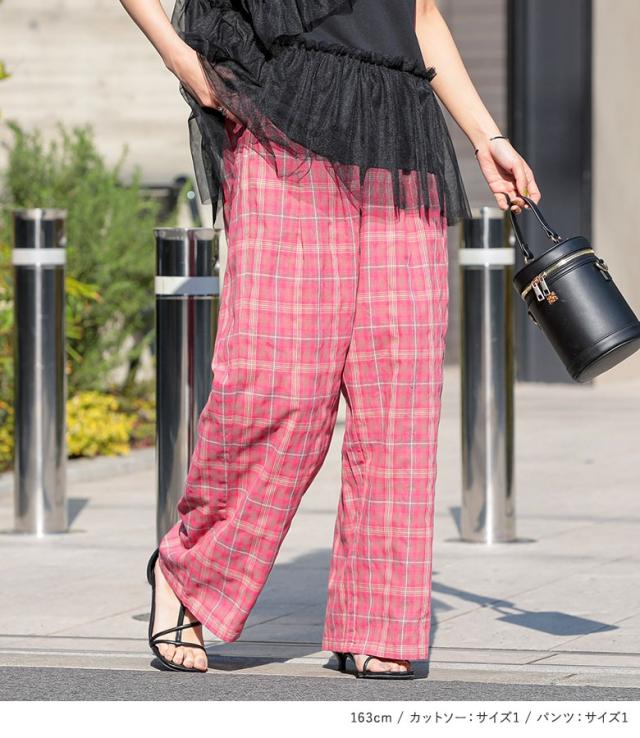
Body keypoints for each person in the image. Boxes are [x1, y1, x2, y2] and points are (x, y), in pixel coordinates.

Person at [120, 0, 540, 678]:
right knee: (279, 382)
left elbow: (421, 13)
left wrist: (487, 138)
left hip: (397, 127)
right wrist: (182, 60)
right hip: (283, 114)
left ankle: (379, 619)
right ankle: (189, 572)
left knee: (398, 392)